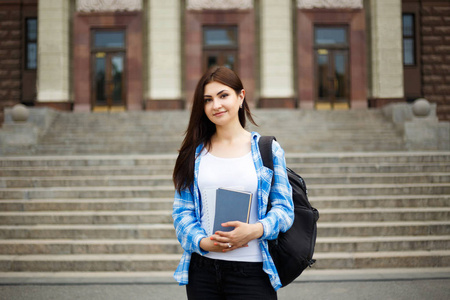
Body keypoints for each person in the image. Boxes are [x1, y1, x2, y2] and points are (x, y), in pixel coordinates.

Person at [172, 66, 294, 299]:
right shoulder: (193, 154)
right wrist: (203, 242)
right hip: (203, 272)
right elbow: (181, 212)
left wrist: (255, 230)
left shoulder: (267, 150)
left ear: (241, 97)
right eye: (207, 99)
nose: (215, 105)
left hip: (253, 271)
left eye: (223, 95)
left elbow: (285, 210)